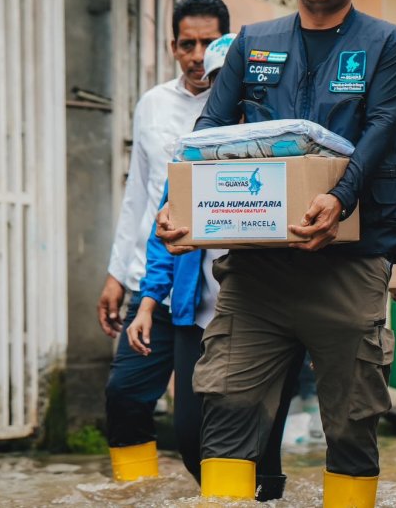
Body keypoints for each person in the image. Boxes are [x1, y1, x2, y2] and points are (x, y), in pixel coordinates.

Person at [156, 0, 396, 507]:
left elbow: (380, 132)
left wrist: (337, 197)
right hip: (258, 271)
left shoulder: (391, 45)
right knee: (224, 407)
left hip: (348, 263)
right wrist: (179, 210)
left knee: (352, 423)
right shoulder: (254, 43)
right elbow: (209, 134)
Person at [122, 35, 303, 500]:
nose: (230, 94)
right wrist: (146, 303)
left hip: (271, 316)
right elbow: (164, 236)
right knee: (189, 438)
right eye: (221, 84)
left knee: (262, 444)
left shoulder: (286, 151)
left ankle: (261, 493)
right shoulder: (191, 156)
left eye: (238, 84)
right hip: (197, 316)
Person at [98, 0, 229, 482]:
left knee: (201, 423)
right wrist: (116, 273)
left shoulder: (240, 106)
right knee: (126, 396)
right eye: (187, 44)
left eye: (209, 43)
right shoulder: (153, 105)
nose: (198, 55)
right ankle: (139, 493)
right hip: (153, 283)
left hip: (216, 291)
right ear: (173, 46)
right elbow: (139, 192)